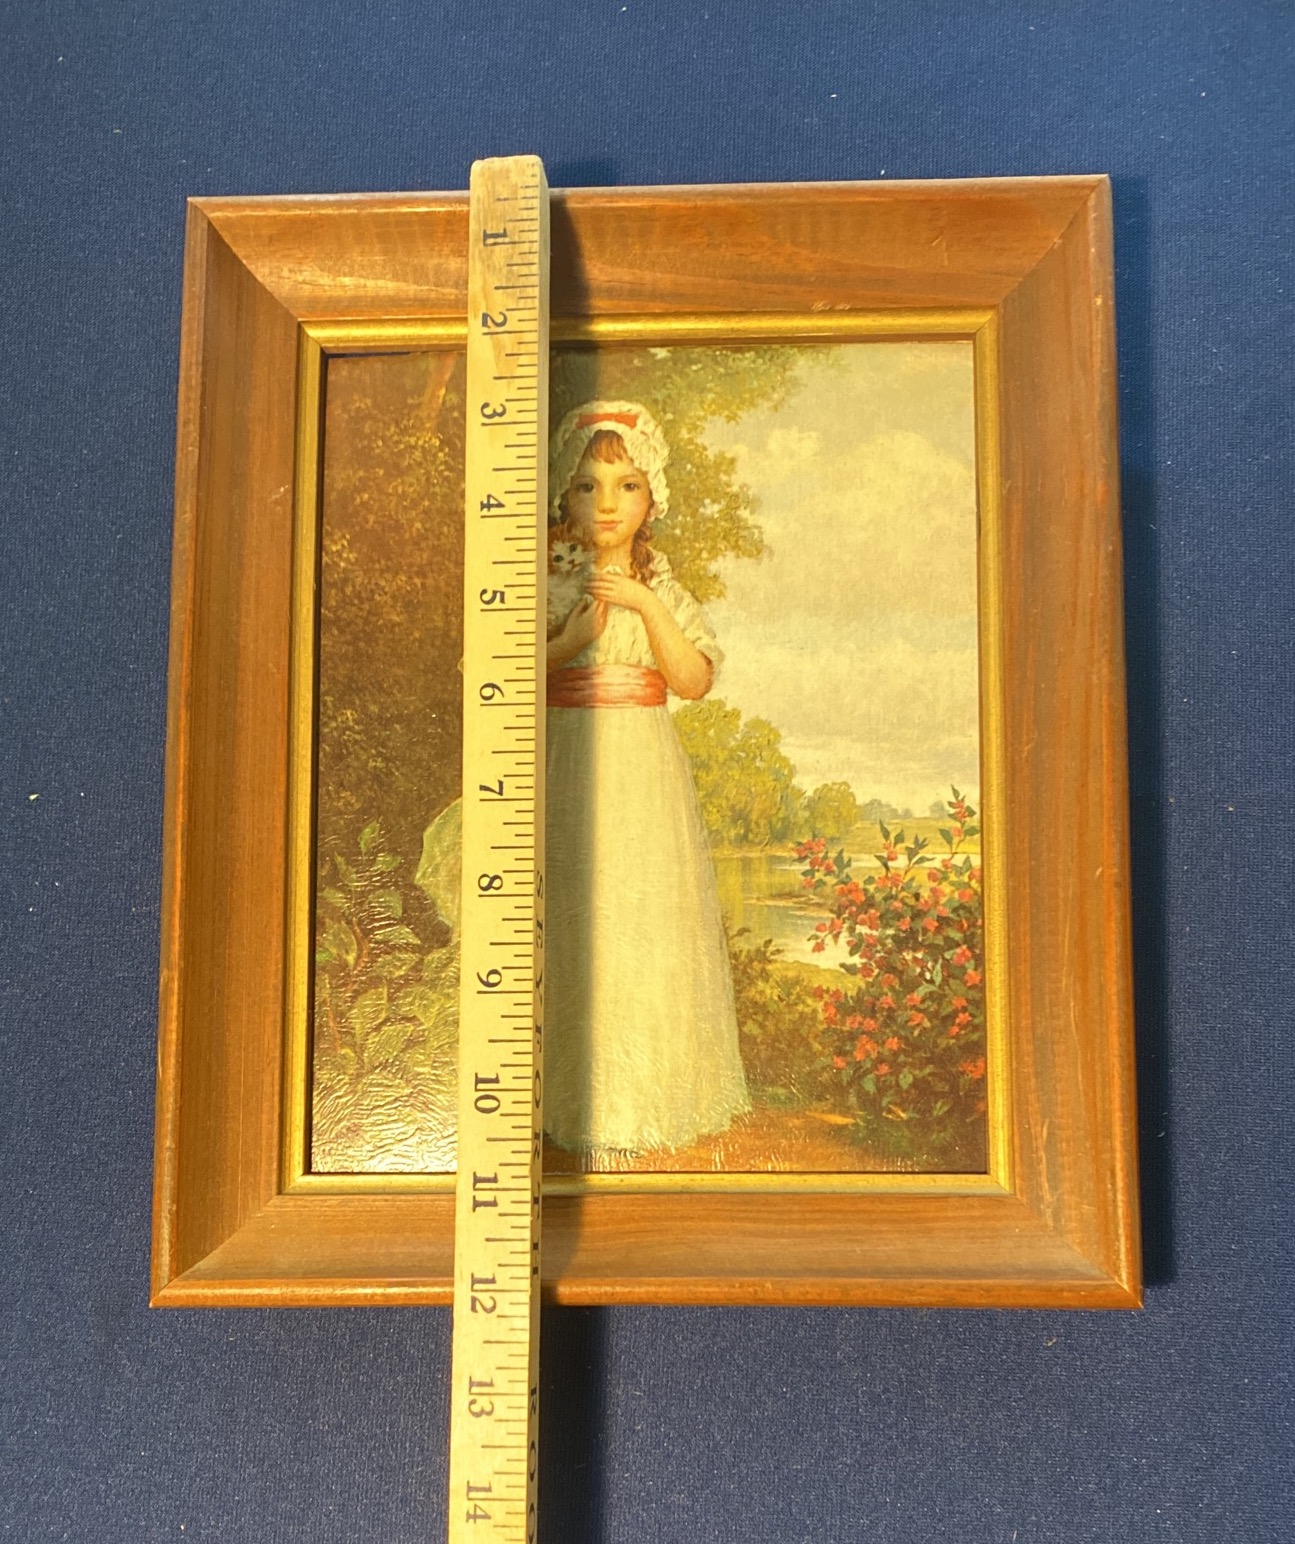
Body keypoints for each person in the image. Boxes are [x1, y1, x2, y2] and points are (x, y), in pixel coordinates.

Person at [544, 400, 750, 1160]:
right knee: (575, 915)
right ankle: (567, 1102)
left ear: (651, 499)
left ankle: (644, 1104)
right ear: (562, 497)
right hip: (565, 759)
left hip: (643, 769)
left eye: (626, 486)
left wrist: (641, 602)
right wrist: (567, 641)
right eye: (587, 486)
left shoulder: (661, 585)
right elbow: (494, 677)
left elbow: (692, 680)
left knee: (640, 919)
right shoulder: (547, 579)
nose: (606, 504)